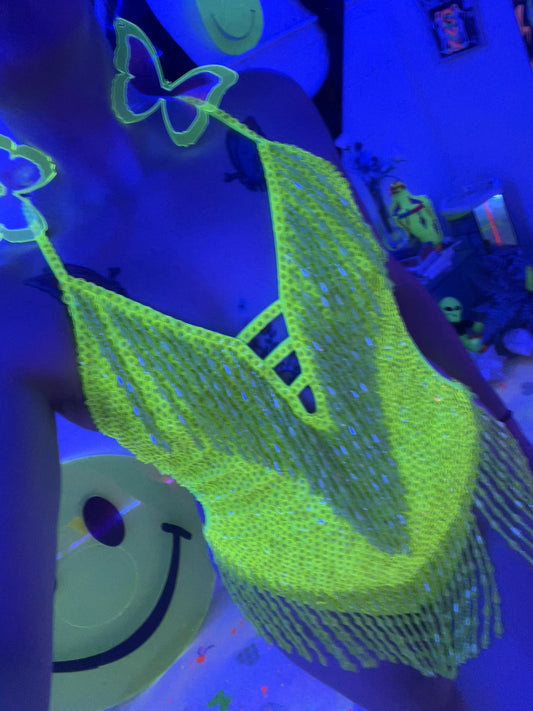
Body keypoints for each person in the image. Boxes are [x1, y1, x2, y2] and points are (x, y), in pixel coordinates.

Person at [2, 3, 533, 711]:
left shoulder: (271, 109)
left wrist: (507, 423)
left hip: (470, 488)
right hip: (310, 601)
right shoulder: (14, 314)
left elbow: (394, 285)